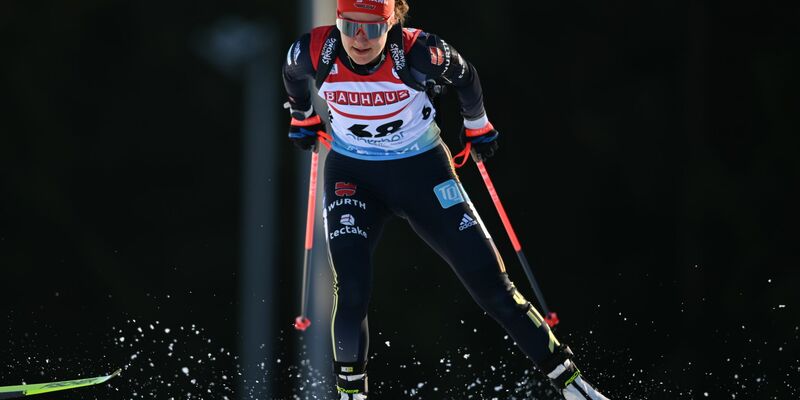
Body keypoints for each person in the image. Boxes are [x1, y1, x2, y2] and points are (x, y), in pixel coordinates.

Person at [282, 1, 610, 399]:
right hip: (353, 177)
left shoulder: (419, 51)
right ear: (338, 22)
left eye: (373, 28)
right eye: (350, 26)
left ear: (392, 23)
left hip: (422, 172)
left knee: (492, 285)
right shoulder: (315, 50)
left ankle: (575, 387)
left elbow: (466, 77)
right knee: (351, 288)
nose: (360, 39)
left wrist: (478, 125)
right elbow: (292, 74)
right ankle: (351, 394)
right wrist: (302, 115)